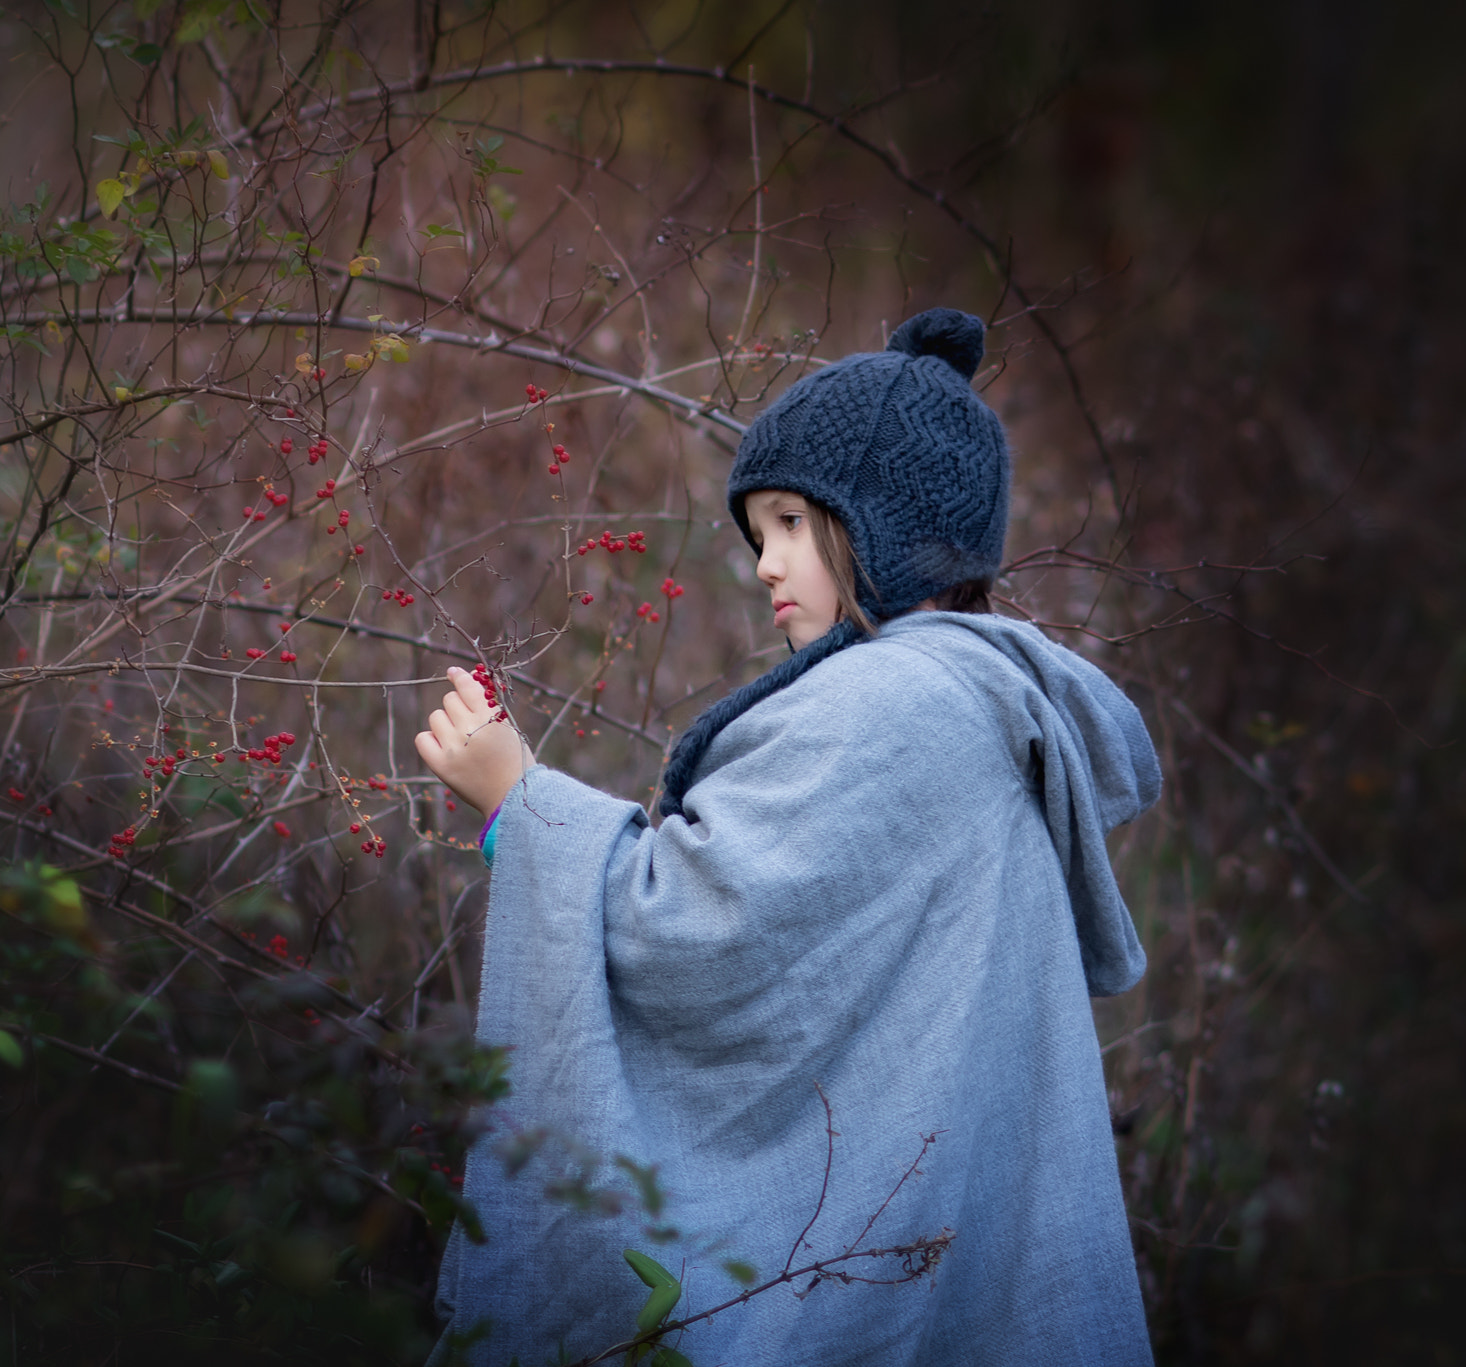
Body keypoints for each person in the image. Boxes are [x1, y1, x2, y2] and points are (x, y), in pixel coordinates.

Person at [416, 308, 1160, 1366]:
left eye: (791, 524)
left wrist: (516, 802)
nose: (765, 564)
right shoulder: (980, 692)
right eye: (757, 531)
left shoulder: (896, 701)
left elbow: (687, 931)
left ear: (889, 527)